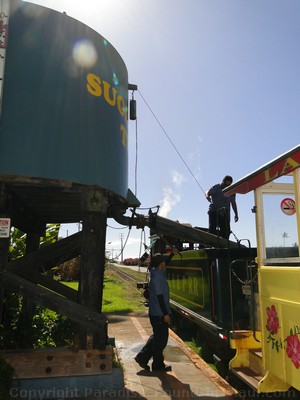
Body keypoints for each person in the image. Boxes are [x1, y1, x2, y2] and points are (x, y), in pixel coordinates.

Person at [134, 248, 178, 372]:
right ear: (160, 264)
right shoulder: (157, 278)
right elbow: (160, 297)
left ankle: (142, 358)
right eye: (163, 261)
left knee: (157, 338)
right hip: (159, 313)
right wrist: (165, 314)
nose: (165, 263)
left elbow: (166, 263)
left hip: (156, 313)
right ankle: (157, 365)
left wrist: (171, 255)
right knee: (161, 340)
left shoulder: (156, 271)